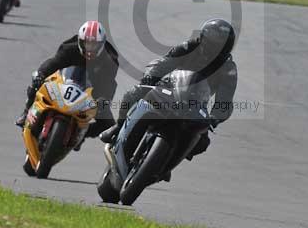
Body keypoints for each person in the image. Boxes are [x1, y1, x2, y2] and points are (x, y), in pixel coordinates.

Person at [100, 18, 238, 164]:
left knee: (202, 143)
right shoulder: (189, 47)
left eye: (221, 46)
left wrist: (215, 117)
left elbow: (225, 98)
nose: (216, 50)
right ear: (205, 40)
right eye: (214, 45)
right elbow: (165, 63)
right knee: (133, 94)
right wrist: (149, 79)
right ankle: (119, 127)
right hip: (170, 88)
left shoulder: (228, 68)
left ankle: (166, 161)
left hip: (196, 103)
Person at [16, 21, 119, 146]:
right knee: (37, 80)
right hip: (68, 81)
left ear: (102, 44)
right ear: (80, 42)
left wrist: (103, 101)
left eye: (94, 45)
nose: (90, 49)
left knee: (108, 124)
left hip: (95, 86)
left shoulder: (110, 59)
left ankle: (81, 135)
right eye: (86, 44)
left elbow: (108, 84)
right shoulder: (70, 48)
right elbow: (53, 63)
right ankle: (26, 111)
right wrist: (41, 74)